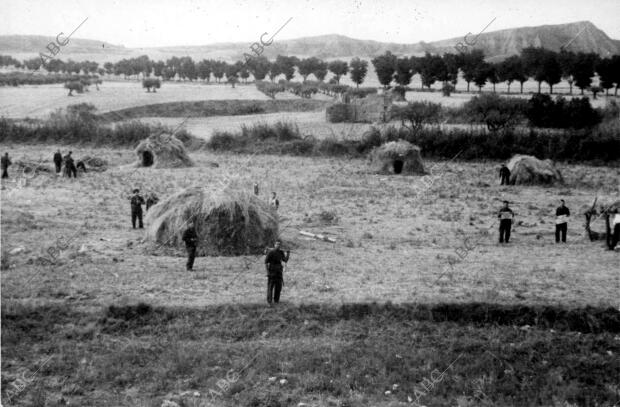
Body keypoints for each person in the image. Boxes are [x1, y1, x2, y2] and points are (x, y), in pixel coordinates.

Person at [264, 240, 290, 304]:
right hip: (272, 272)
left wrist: (288, 254)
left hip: (279, 272)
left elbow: (285, 260)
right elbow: (266, 262)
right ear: (274, 245)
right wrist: (267, 272)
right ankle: (269, 301)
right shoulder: (270, 252)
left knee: (278, 287)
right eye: (277, 244)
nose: (278, 245)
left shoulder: (281, 252)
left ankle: (276, 301)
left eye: (279, 244)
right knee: (270, 287)